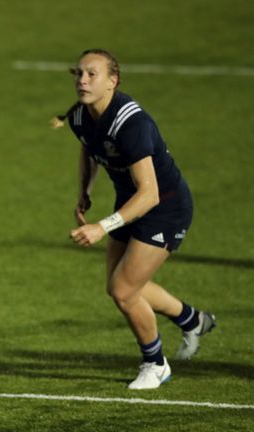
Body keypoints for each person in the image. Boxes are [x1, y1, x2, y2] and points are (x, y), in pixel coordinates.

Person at [54, 49, 216, 390]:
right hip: (131, 201)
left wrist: (102, 226)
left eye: (92, 74)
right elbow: (89, 147)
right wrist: (85, 189)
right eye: (79, 73)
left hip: (165, 208)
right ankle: (193, 320)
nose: (82, 80)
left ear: (113, 81)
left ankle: (156, 365)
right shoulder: (80, 117)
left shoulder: (132, 123)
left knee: (124, 290)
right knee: (121, 286)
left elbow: (150, 194)